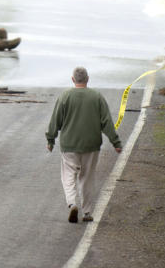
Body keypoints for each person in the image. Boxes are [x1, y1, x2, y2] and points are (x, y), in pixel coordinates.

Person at [46, 67, 122, 223]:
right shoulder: (97, 97)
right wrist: (116, 142)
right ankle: (87, 212)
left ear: (73, 79)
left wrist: (51, 139)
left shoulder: (65, 97)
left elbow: (55, 120)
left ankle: (72, 203)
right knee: (87, 178)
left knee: (68, 176)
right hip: (91, 145)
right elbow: (106, 122)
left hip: (69, 145)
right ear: (87, 79)